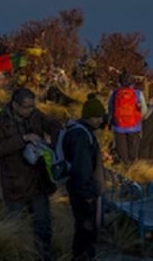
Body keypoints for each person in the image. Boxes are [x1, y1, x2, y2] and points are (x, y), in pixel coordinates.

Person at [0, 88, 64, 260]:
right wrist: (23, 139)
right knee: (16, 225)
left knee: (43, 224)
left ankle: (45, 254)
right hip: (16, 184)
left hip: (39, 181)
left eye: (33, 106)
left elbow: (51, 124)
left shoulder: (35, 114)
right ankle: (19, 254)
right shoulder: (1, 124)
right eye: (27, 107)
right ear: (15, 105)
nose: (31, 110)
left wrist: (58, 135)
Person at [63, 94, 107, 261]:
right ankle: (82, 256)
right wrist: (88, 193)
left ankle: (83, 254)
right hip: (83, 190)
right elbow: (81, 168)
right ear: (90, 117)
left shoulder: (78, 130)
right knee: (85, 227)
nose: (101, 120)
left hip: (79, 187)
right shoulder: (81, 136)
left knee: (84, 226)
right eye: (98, 117)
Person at [108, 71, 147, 163]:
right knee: (133, 153)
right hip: (134, 127)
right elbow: (144, 110)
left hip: (118, 127)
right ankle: (133, 170)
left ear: (119, 82)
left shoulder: (114, 94)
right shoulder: (138, 93)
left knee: (122, 153)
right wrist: (138, 119)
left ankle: (124, 169)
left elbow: (110, 110)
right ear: (131, 82)